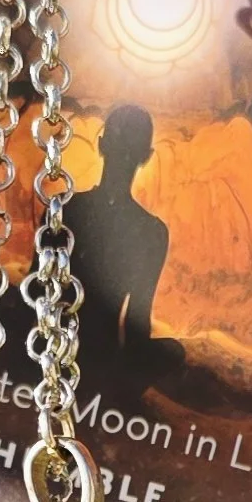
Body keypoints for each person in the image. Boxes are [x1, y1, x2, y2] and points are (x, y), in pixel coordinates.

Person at [67, 105, 169, 360]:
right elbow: (138, 320)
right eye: (123, 148)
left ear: (102, 145)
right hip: (98, 354)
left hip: (55, 347)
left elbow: (35, 288)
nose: (123, 157)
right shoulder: (153, 232)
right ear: (146, 155)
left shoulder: (67, 208)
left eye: (127, 149)